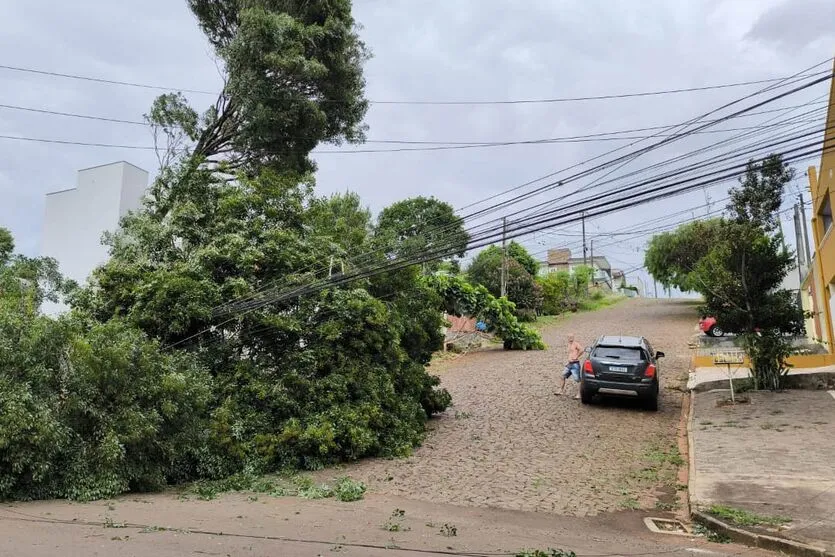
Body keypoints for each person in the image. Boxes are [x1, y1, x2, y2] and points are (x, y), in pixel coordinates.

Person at [556, 333, 584, 398]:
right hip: (569, 364)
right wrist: (568, 361)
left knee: (578, 380)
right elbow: (570, 353)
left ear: (573, 338)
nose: (570, 338)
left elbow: (582, 350)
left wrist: (576, 356)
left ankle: (579, 394)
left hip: (575, 364)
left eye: (571, 337)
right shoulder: (569, 344)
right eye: (569, 337)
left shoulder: (576, 344)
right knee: (562, 376)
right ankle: (560, 390)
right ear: (567, 338)